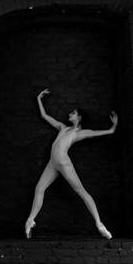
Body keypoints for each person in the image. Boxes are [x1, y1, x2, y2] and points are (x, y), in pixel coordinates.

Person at [25, 88, 118, 239]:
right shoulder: (63, 127)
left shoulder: (78, 133)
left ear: (79, 117)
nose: (69, 114)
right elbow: (44, 116)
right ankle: (30, 221)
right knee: (39, 188)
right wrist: (38, 99)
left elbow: (98, 133)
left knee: (81, 191)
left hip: (63, 162)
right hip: (52, 164)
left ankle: (99, 224)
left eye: (73, 113)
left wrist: (113, 128)